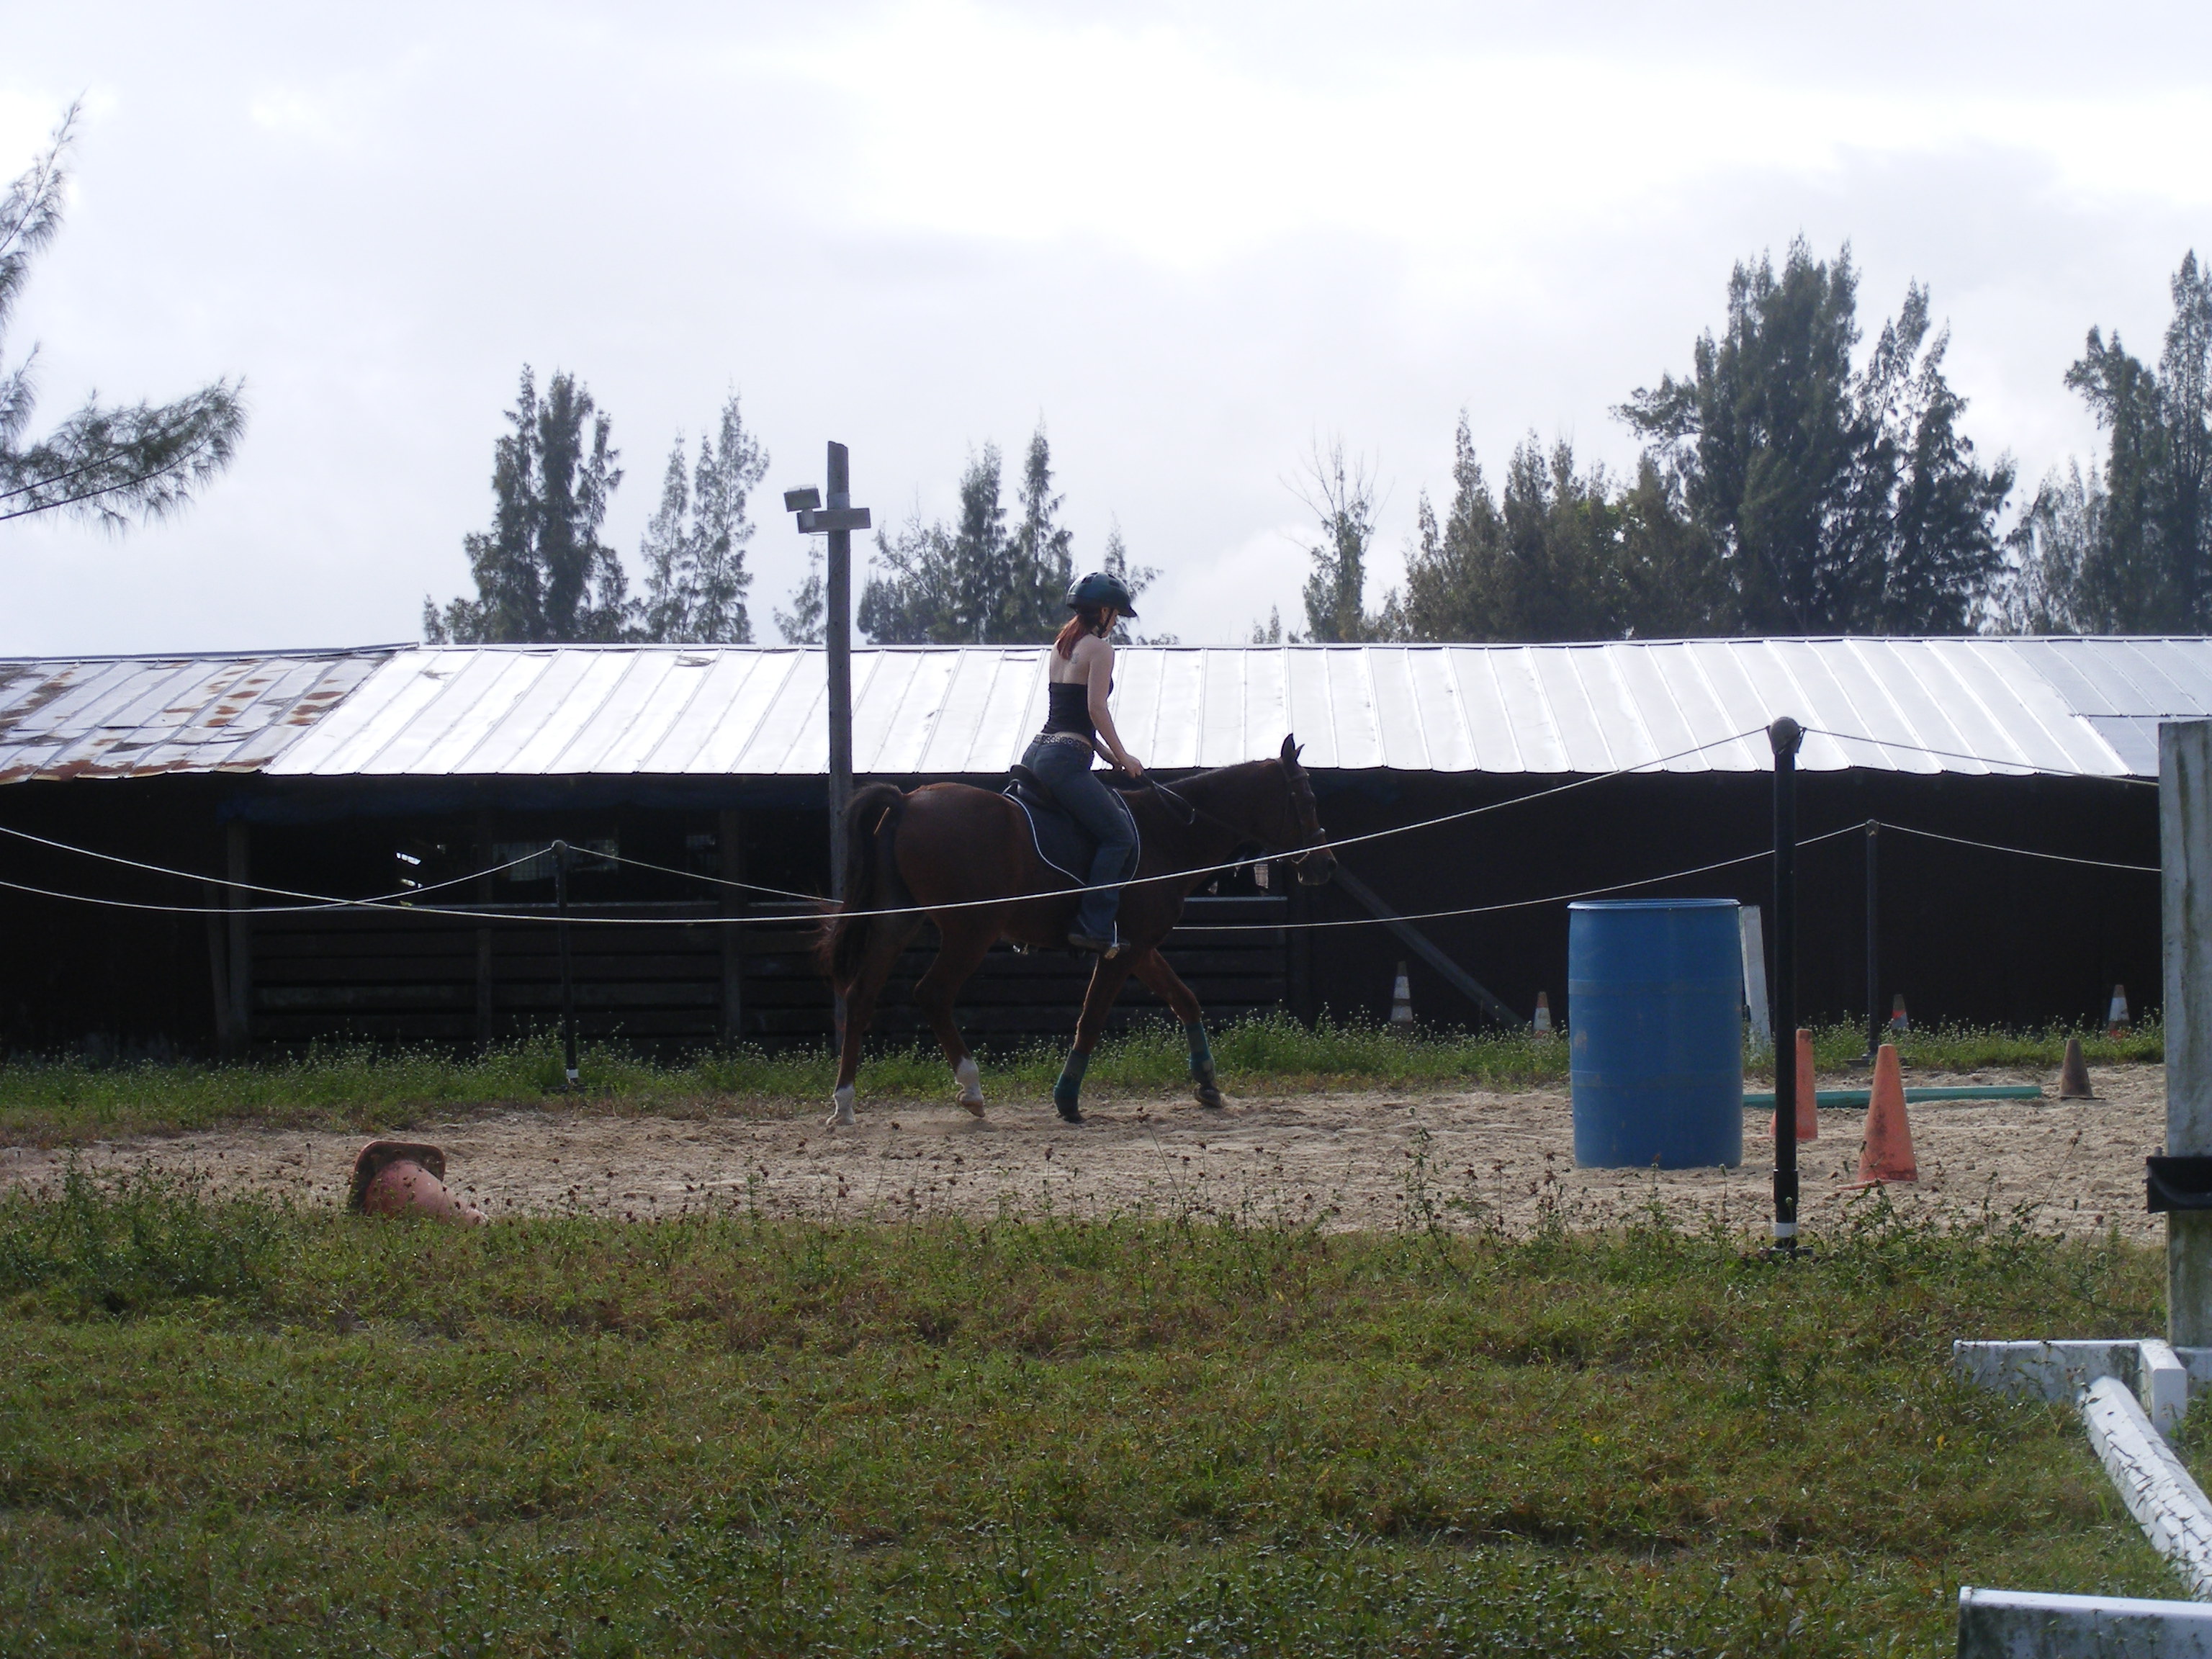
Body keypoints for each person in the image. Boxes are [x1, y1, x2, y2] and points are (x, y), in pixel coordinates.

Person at [1025, 571, 1143, 954]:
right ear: (1104, 611)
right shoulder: (1100, 650)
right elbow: (1095, 709)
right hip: (1066, 759)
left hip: (1036, 753)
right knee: (1119, 836)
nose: (1116, 622)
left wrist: (1106, 755)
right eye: (1116, 614)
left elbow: (1070, 712)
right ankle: (1094, 925)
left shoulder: (1061, 644)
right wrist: (1123, 755)